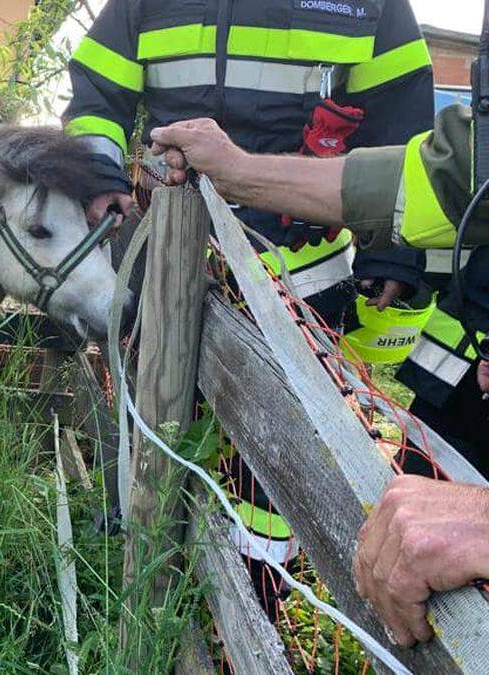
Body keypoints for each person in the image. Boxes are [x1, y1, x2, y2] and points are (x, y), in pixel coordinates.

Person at [64, 0, 434, 617]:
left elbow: (405, 130)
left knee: (269, 459)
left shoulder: (374, 8)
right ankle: (147, 571)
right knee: (155, 422)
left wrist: (391, 254)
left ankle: (251, 606)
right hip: (170, 266)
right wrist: (102, 172)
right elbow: (96, 93)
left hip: (302, 286)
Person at [147, 110, 489, 647]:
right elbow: (445, 178)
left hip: (315, 301)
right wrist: (237, 171)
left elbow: (425, 152)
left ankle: (257, 603)